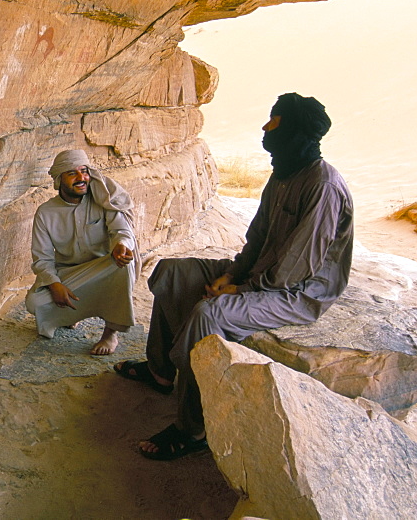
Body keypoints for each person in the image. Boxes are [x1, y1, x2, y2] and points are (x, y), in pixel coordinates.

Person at [116, 92, 353, 460]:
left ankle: (193, 428)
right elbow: (258, 238)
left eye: (273, 120)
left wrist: (240, 289)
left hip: (298, 292)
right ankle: (161, 372)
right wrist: (231, 274)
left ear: (290, 128)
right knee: (173, 272)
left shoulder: (322, 186)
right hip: (261, 275)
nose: (265, 127)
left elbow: (295, 266)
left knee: (208, 315)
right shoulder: (284, 173)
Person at [26, 149, 138, 355]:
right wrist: (54, 283)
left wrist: (121, 244)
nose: (81, 178)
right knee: (35, 302)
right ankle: (73, 315)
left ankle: (111, 332)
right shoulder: (46, 212)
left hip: (103, 269)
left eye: (84, 171)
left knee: (124, 264)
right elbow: (42, 258)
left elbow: (121, 230)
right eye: (72, 173)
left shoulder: (102, 201)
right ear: (60, 179)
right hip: (70, 274)